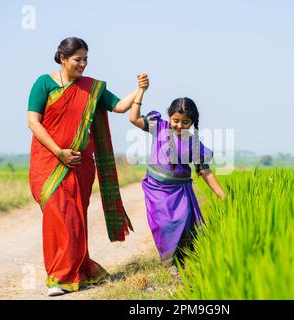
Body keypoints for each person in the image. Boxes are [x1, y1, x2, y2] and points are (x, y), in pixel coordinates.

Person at [27, 37, 149, 296]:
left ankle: (71, 272)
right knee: (58, 217)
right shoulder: (44, 84)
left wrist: (139, 90)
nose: (83, 64)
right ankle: (60, 276)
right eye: (77, 59)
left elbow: (118, 106)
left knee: (75, 219)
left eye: (85, 59)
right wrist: (59, 152)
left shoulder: (91, 87)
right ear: (62, 58)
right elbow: (33, 122)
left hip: (80, 164)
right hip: (48, 162)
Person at [129, 90, 225, 275]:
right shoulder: (159, 126)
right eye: (176, 120)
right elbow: (133, 118)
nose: (179, 125)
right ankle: (169, 262)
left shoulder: (194, 143)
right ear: (169, 117)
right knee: (163, 224)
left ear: (192, 123)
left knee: (184, 223)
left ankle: (185, 260)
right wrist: (140, 91)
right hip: (156, 189)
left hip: (180, 190)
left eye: (185, 122)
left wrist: (222, 195)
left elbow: (205, 171)